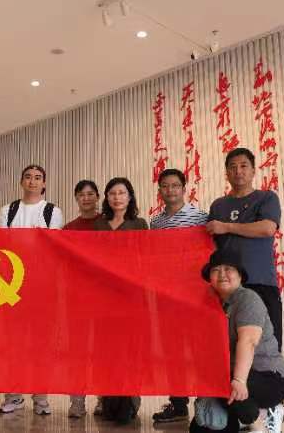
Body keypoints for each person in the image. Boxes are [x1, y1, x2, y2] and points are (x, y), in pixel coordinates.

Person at [191, 250, 284, 433]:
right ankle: (243, 416)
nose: (222, 274)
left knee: (222, 382)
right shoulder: (210, 303)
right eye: (216, 270)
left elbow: (248, 341)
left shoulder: (248, 299)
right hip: (229, 379)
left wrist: (239, 380)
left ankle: (260, 421)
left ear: (240, 275)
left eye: (228, 269)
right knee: (201, 428)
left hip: (268, 377)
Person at [0, 164, 63, 415]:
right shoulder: (8, 210)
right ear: (21, 181)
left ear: (44, 183)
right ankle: (13, 395)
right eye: (28, 177)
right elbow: (4, 244)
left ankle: (40, 397)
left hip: (41, 286)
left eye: (37, 178)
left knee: (40, 343)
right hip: (12, 285)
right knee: (12, 342)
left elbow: (52, 247)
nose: (32, 181)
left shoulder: (52, 211)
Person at [206, 148, 283, 351]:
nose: (238, 171)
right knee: (228, 344)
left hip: (260, 281)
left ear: (253, 170)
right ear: (226, 173)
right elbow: (209, 243)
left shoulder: (266, 198)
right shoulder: (218, 206)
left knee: (266, 344)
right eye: (232, 167)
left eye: (243, 166)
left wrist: (227, 227)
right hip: (227, 286)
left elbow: (267, 228)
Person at [149, 168, 209, 424]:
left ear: (184, 189)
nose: (170, 190)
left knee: (198, 349)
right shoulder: (156, 222)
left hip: (196, 293)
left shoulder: (201, 217)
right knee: (172, 350)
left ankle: (206, 402)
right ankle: (178, 403)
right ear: (160, 190)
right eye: (165, 186)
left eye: (175, 185)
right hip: (167, 295)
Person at [93, 177, 147, 424]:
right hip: (103, 297)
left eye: (122, 193)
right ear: (107, 197)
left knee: (129, 350)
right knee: (106, 351)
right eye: (112, 193)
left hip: (131, 297)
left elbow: (145, 259)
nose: (117, 197)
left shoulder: (140, 224)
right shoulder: (99, 224)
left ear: (130, 196)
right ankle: (108, 401)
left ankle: (129, 403)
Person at [63, 179, 102, 418]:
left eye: (90, 194)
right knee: (77, 351)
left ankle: (103, 399)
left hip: (104, 298)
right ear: (76, 199)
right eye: (81, 195)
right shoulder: (69, 228)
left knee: (102, 350)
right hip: (77, 297)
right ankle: (77, 401)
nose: (86, 198)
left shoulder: (106, 224)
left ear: (98, 197)